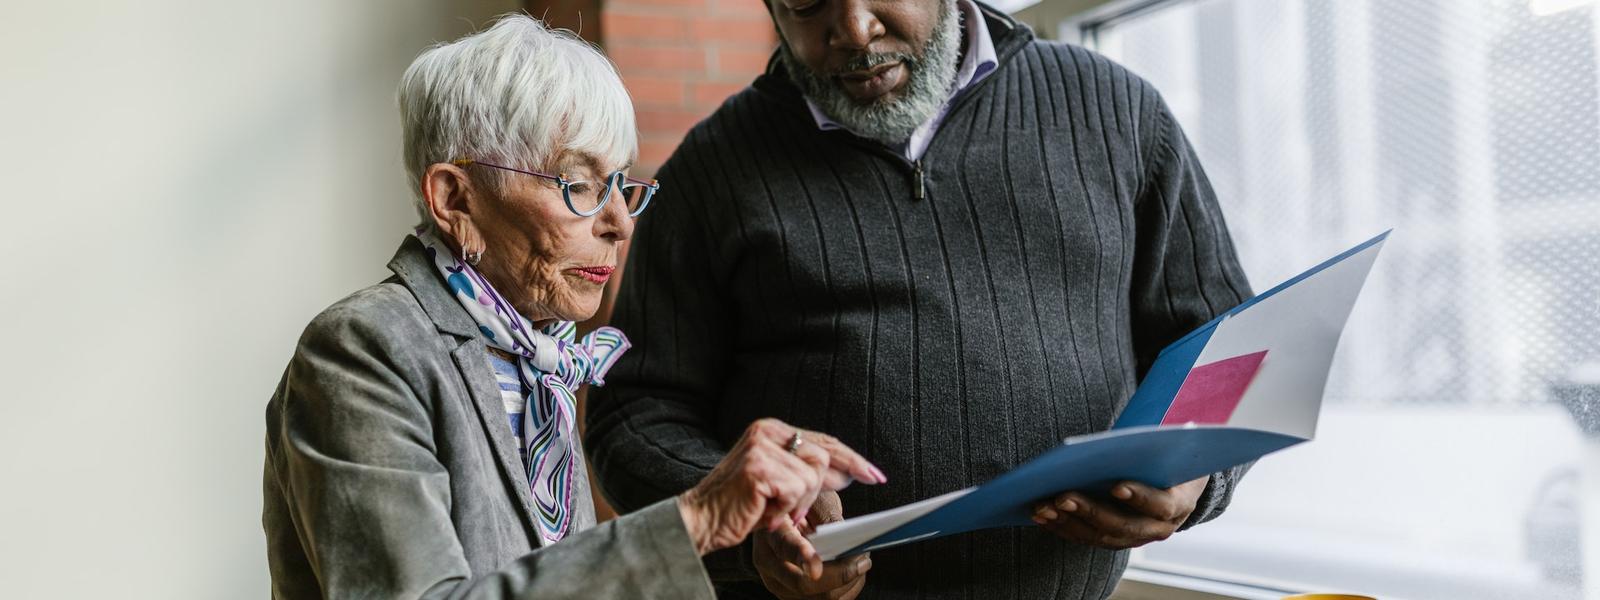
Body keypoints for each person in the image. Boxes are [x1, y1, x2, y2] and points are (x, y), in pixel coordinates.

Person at [585, 0, 1255, 598]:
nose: (854, 29)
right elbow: (632, 419)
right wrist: (752, 524)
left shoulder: (1118, 112)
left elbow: (1230, 349)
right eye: (807, 3)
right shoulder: (710, 172)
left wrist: (1199, 476)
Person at [261, 15, 884, 599]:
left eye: (619, 184)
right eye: (578, 184)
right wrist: (697, 517)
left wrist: (755, 543)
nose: (620, 223)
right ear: (455, 198)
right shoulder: (363, 351)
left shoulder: (541, 355)